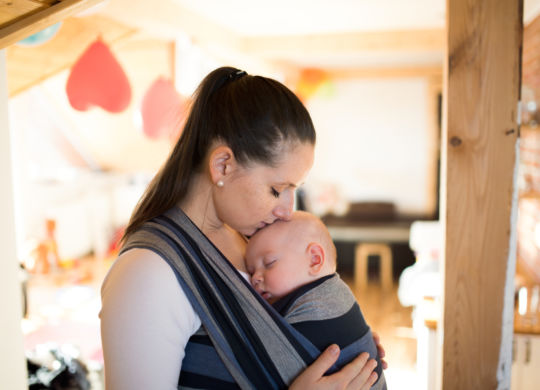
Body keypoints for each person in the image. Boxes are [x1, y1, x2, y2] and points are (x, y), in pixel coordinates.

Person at [100, 66, 385, 390]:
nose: (287, 209)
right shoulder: (149, 274)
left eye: (295, 189)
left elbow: (268, 336)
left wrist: (333, 343)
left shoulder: (250, 238)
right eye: (277, 189)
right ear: (223, 165)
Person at [245, 211, 386, 388]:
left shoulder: (315, 306)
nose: (255, 278)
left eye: (269, 263)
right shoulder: (334, 290)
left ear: (314, 259)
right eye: (250, 271)